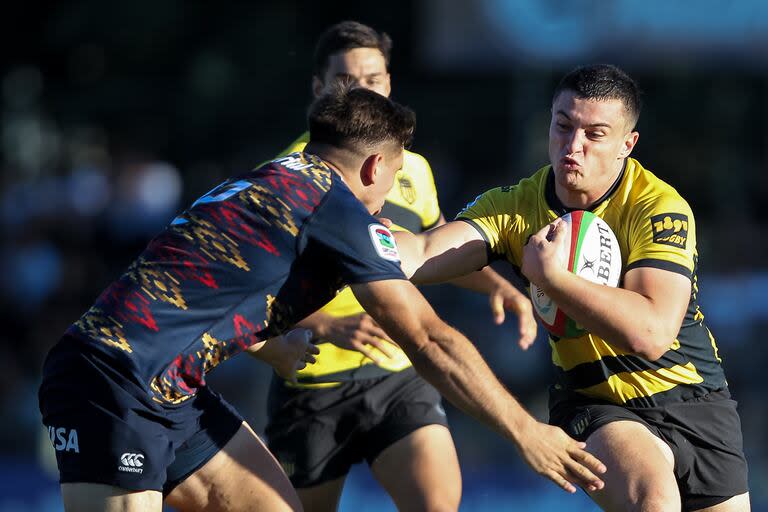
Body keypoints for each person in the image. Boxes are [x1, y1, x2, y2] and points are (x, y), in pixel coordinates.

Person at [39, 83, 605, 511]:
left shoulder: (278, 177)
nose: (389, 196)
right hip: (110, 379)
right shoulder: (334, 209)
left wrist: (275, 341)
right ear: (375, 165)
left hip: (171, 388)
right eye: (393, 179)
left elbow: (218, 286)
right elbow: (428, 337)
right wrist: (526, 431)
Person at [396, 64, 750, 512]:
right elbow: (422, 251)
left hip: (698, 401)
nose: (572, 146)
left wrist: (555, 280)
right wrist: (360, 237)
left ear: (627, 144)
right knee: (653, 501)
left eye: (594, 134)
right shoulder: (515, 208)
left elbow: (652, 334)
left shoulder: (657, 206)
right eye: (563, 126)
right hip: (596, 403)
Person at [264, 21, 537, 512]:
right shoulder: (290, 177)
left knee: (437, 503)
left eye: (374, 79)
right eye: (347, 82)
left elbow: (433, 244)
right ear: (319, 89)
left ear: (389, 83)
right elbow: (253, 295)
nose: (363, 91)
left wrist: (497, 285)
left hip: (397, 373)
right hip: (311, 386)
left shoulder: (412, 166)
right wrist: (325, 323)